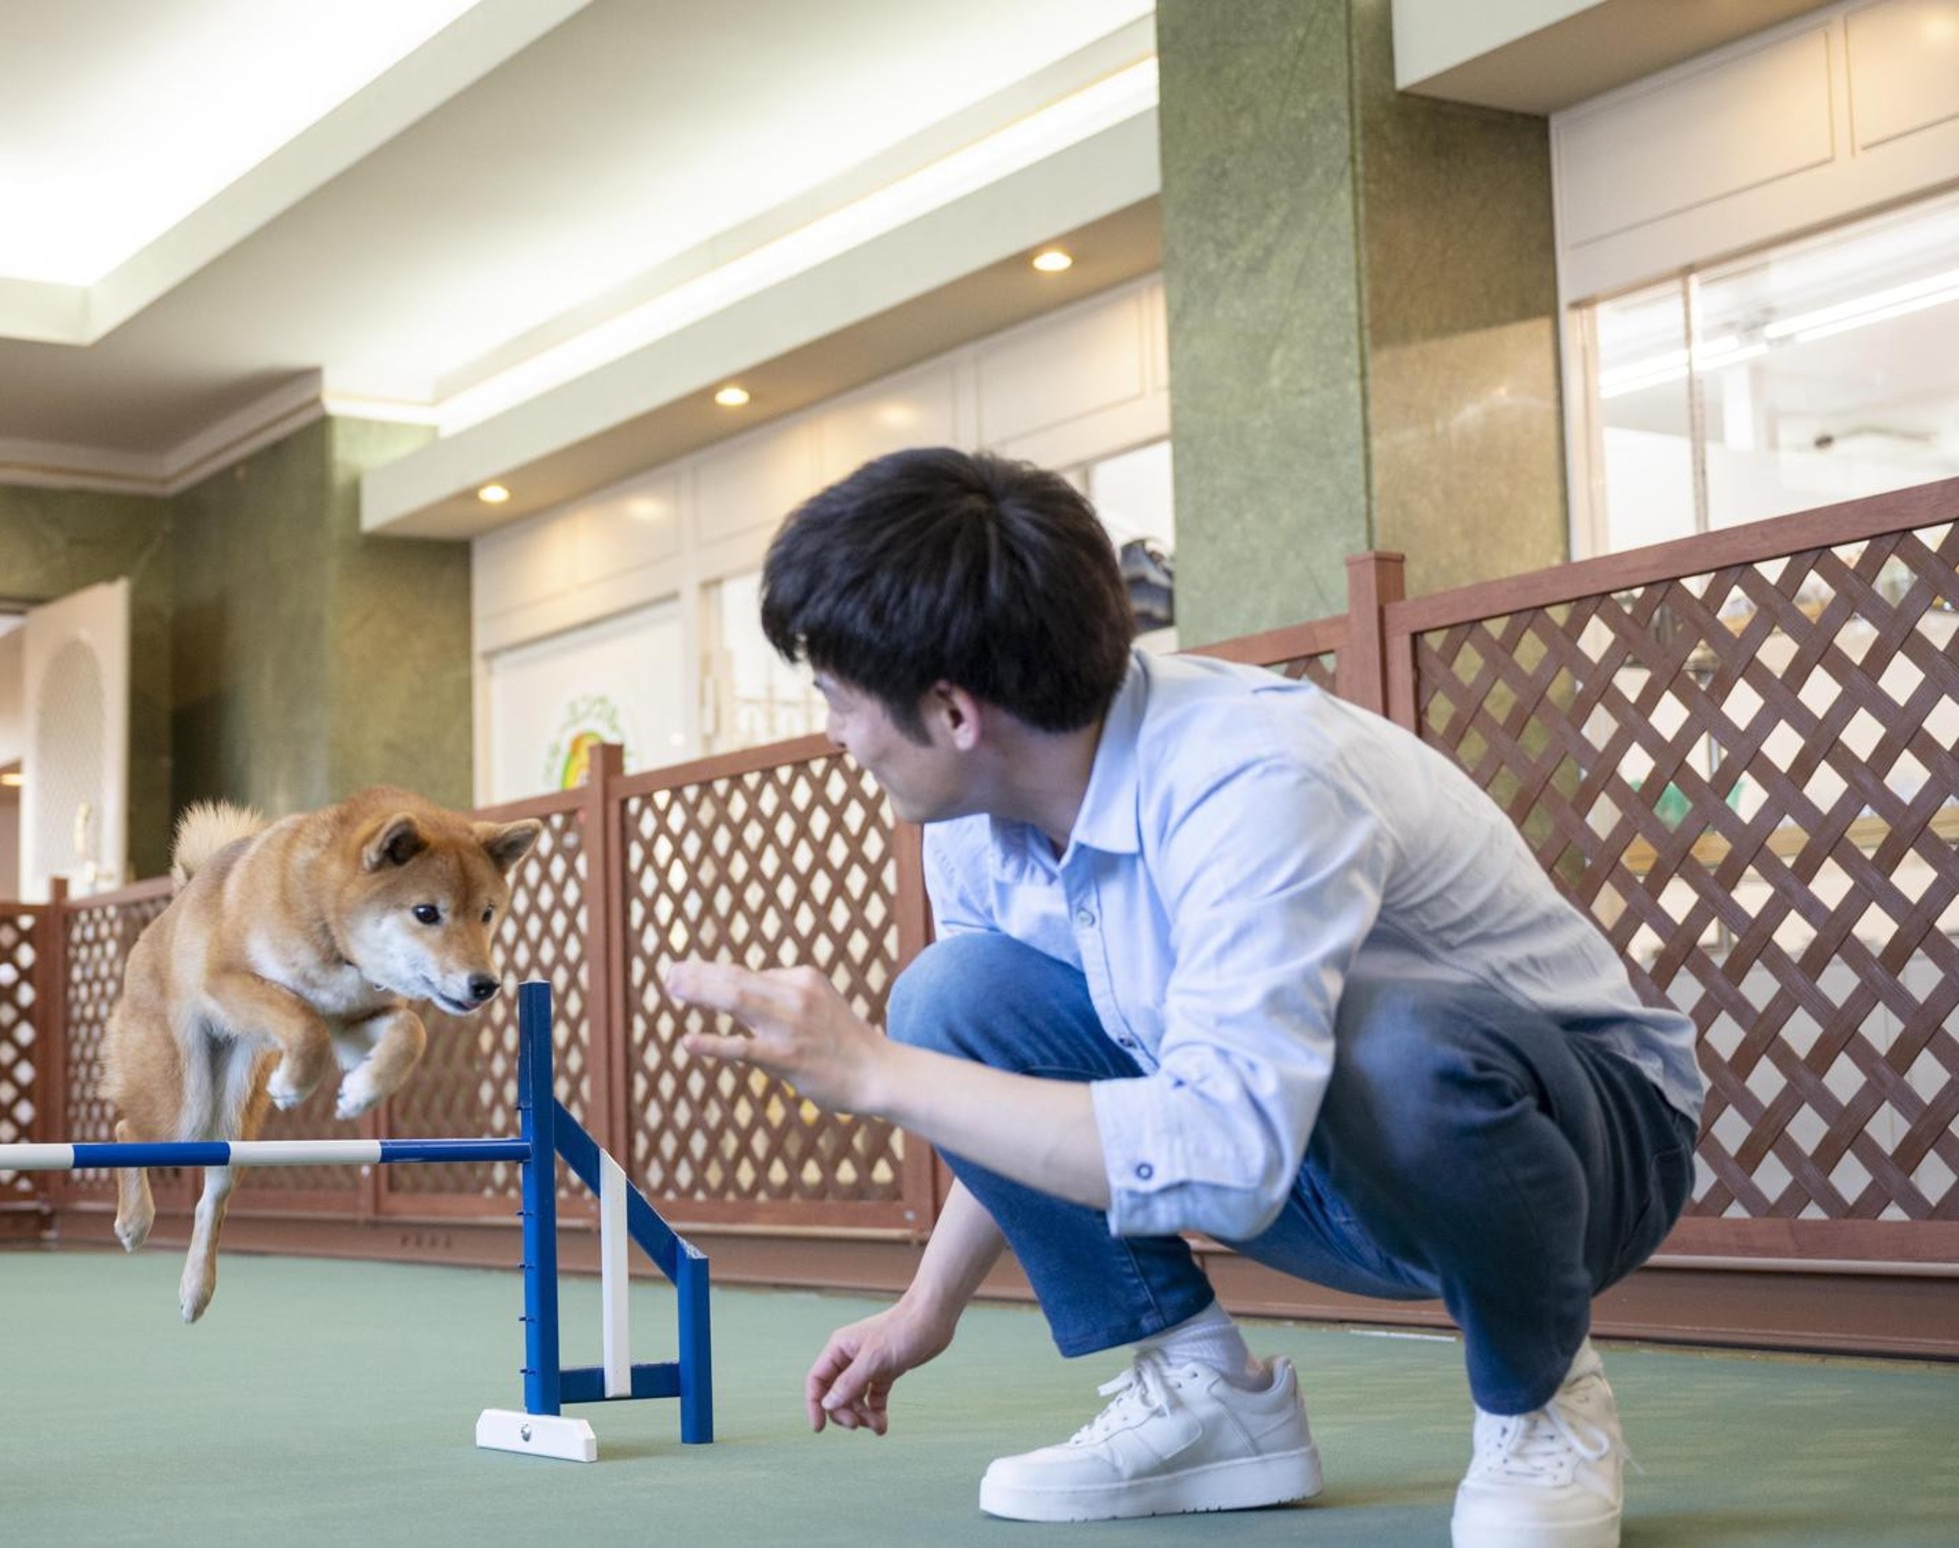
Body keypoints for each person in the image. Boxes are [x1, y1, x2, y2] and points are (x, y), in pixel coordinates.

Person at [661, 448, 1700, 1548]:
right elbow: (998, 1088)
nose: (833, 734)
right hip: (1306, 1161)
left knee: (1391, 1040)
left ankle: (1541, 1399)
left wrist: (871, 1072)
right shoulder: (973, 826)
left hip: (1581, 1152)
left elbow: (1226, 1145)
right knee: (949, 998)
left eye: (834, 697)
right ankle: (1210, 1396)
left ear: (952, 710)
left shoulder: (1255, 775)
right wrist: (927, 1309)